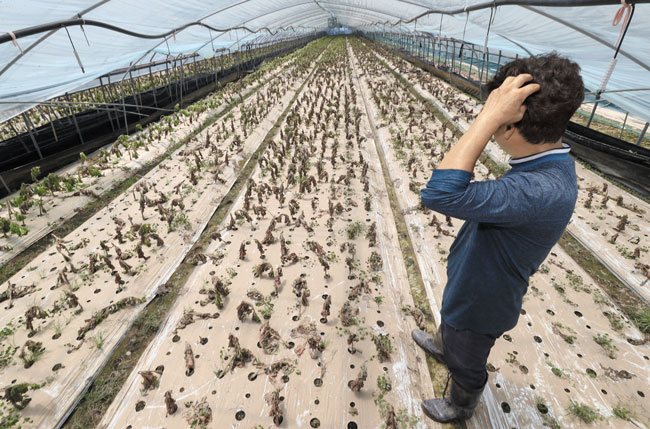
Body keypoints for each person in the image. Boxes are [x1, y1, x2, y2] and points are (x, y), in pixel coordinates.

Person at [413, 53, 584, 423]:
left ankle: (462, 401)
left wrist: (487, 116)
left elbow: (440, 194)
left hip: (482, 301)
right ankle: (444, 343)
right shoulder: (547, 163)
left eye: (496, 116)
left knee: (466, 356)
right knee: (451, 319)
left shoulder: (539, 189)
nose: (491, 124)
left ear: (508, 126)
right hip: (473, 281)